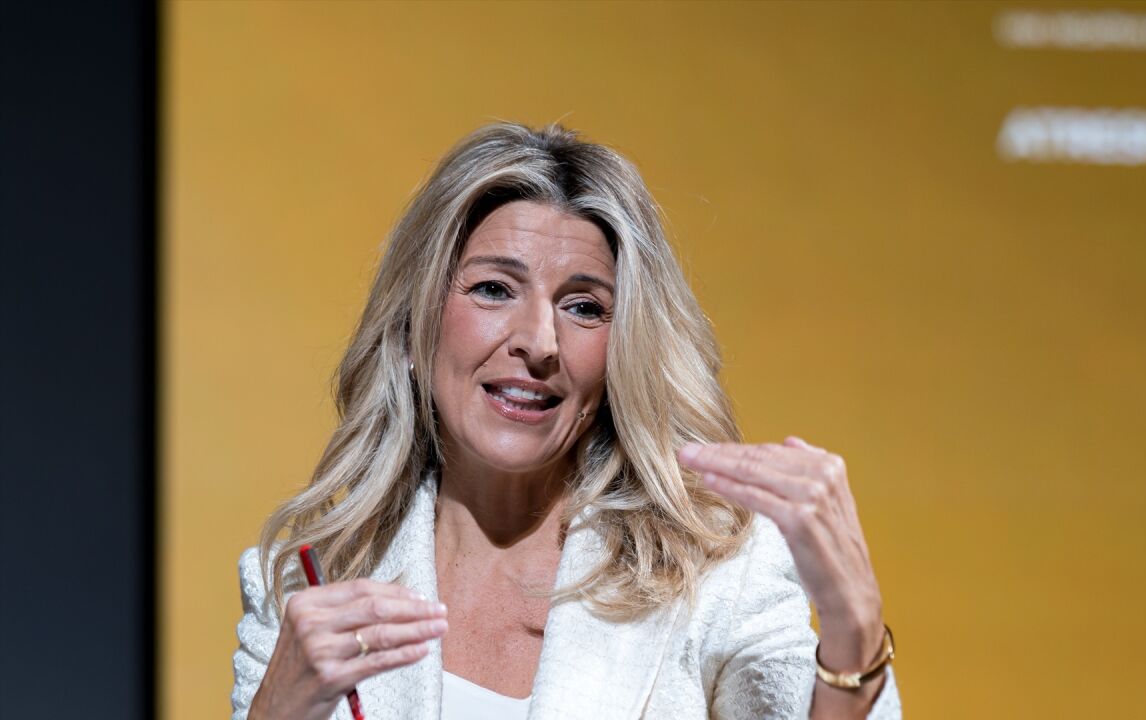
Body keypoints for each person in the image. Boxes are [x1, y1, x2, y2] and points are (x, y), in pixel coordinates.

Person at [231, 122, 903, 720]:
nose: (540, 342)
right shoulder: (304, 585)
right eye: (493, 289)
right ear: (412, 329)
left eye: (583, 307)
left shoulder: (718, 573)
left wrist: (855, 631)